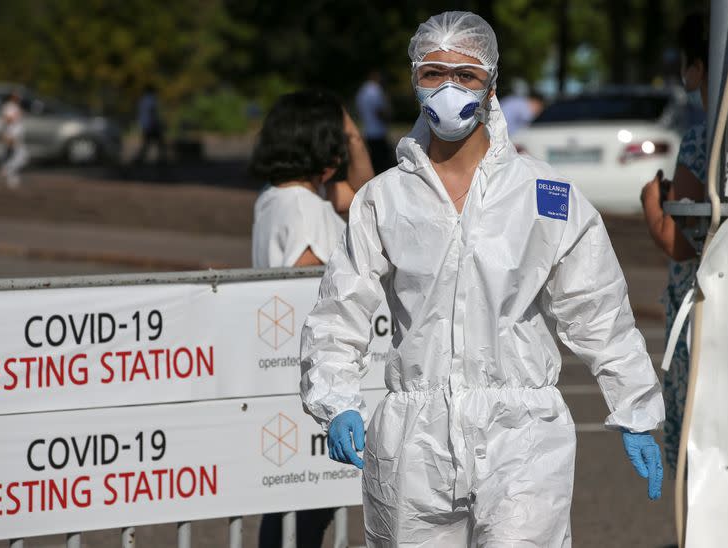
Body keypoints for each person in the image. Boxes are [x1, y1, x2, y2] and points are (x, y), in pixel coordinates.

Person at [300, 11, 664, 547]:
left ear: (491, 83)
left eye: (466, 75)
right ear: (414, 81)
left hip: (522, 437)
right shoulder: (385, 199)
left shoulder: (545, 195)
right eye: (433, 72)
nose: (449, 87)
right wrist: (335, 397)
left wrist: (633, 403)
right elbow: (341, 307)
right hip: (413, 442)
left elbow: (596, 306)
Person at [249, 89, 373, 546]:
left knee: (291, 509)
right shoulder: (306, 207)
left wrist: (354, 137)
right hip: (308, 371)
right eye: (340, 136)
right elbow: (310, 284)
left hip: (287, 371)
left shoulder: (277, 197)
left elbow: (364, 194)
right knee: (306, 507)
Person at [640, 12, 708, 478]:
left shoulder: (701, 141)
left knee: (696, 436)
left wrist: (652, 206)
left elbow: (681, 244)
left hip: (698, 305)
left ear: (695, 69)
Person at [355, 70, 395, 174]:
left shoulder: (362, 91)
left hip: (368, 131)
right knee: (384, 166)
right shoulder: (375, 91)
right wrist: (388, 117)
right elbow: (379, 111)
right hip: (378, 132)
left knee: (374, 162)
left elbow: (359, 111)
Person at [0, 91, 28, 188]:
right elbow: (6, 120)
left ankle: (10, 176)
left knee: (16, 156)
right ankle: (7, 171)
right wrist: (7, 136)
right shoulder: (9, 106)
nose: (18, 97)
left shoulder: (15, 106)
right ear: (12, 97)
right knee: (22, 156)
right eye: (16, 96)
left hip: (17, 135)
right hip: (12, 135)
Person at [134, 85, 167, 163]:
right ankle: (162, 160)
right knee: (158, 144)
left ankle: (138, 160)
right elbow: (152, 113)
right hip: (152, 126)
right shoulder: (151, 99)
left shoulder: (142, 100)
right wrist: (158, 124)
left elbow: (141, 114)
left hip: (145, 125)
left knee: (147, 144)